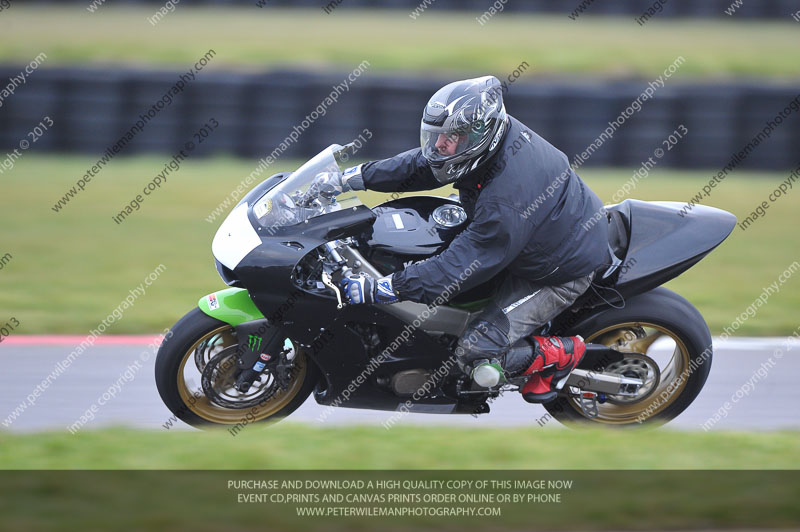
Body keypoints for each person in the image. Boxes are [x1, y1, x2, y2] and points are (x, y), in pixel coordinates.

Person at [310, 75, 612, 403]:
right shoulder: (490, 139)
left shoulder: (505, 199)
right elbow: (422, 166)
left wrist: (384, 287)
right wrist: (348, 180)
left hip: (558, 270)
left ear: (479, 135)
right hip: (537, 232)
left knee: (474, 350)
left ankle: (563, 354)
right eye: (436, 136)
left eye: (450, 137)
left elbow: (460, 267)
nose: (440, 145)